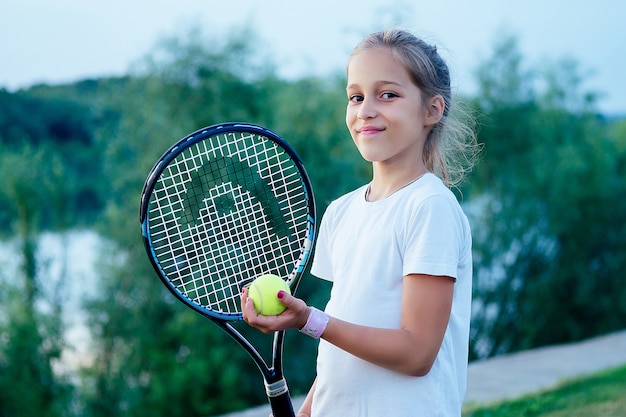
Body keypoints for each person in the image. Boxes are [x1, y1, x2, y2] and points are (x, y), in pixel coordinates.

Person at [242, 28, 480, 417]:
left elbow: (417, 353)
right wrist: (308, 411)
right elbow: (348, 337)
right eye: (356, 96)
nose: (366, 110)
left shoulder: (429, 207)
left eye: (387, 94)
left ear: (432, 110)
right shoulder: (342, 210)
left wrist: (309, 320)